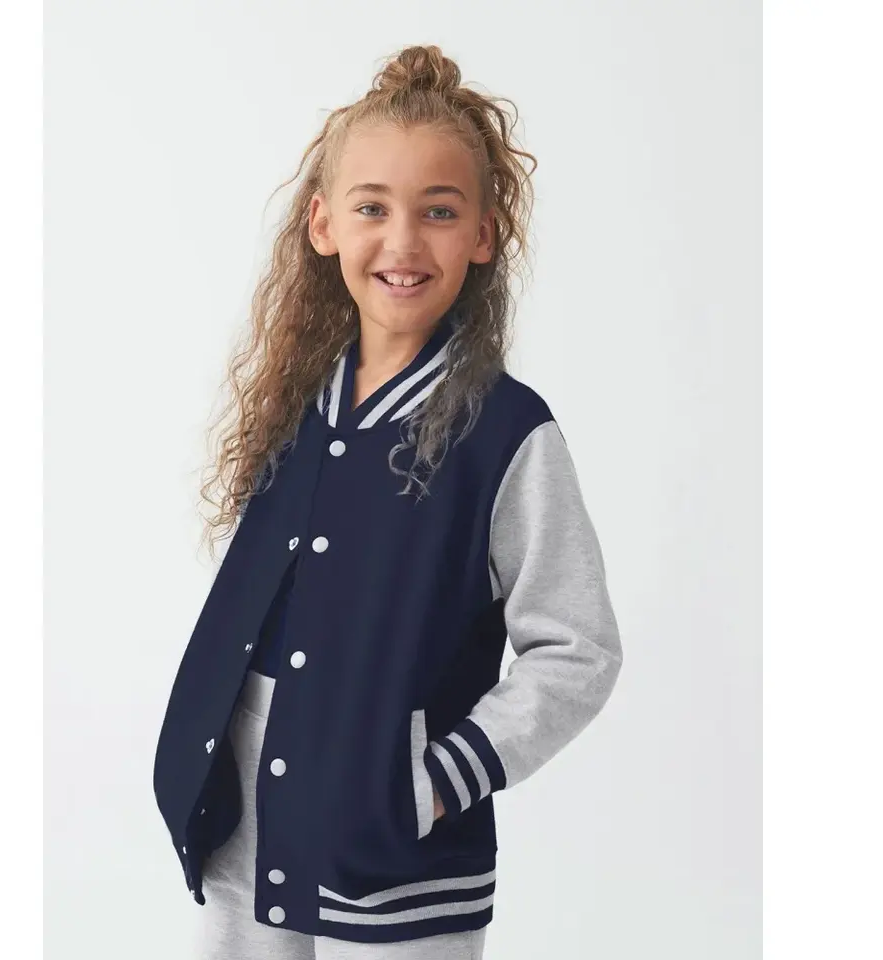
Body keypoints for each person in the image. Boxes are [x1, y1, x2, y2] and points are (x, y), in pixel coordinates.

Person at [152, 43, 623, 960]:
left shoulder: (507, 433)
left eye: (439, 211)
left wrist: (435, 781)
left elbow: (579, 649)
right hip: (244, 830)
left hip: (396, 863)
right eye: (372, 207)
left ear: (483, 234)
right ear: (323, 223)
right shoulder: (297, 405)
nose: (403, 243)